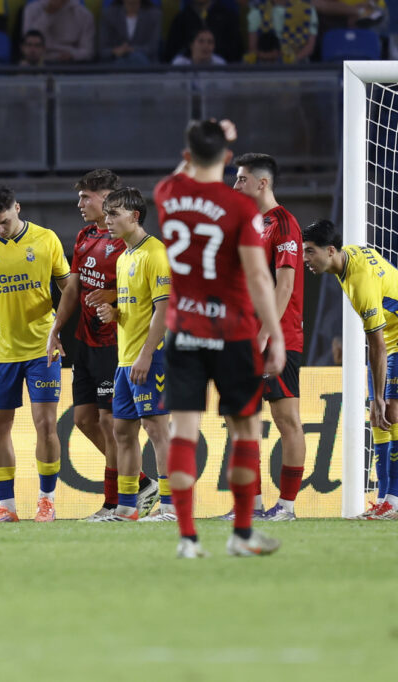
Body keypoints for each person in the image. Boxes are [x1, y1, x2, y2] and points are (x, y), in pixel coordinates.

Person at [153, 119, 285, 558]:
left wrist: (205, 140)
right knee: (245, 430)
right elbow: (259, 277)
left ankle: (188, 539)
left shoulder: (167, 194)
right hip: (233, 333)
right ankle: (242, 533)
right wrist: (276, 335)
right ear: (228, 159)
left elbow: (179, 174)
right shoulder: (240, 206)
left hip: (184, 332)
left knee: (183, 431)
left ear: (187, 156)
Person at [48, 169, 158, 521]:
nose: (80, 203)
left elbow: (143, 294)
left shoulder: (130, 242)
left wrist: (113, 297)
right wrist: (56, 328)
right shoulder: (84, 237)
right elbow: (73, 288)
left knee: (113, 424)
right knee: (84, 420)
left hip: (116, 343)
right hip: (85, 341)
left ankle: (114, 503)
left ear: (109, 198)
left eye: (87, 197)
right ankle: (141, 483)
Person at [0, 186, 71, 523]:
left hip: (42, 347)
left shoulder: (46, 239)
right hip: (1, 349)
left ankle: (46, 501)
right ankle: (6, 506)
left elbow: (68, 288)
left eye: (4, 221)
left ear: (17, 209)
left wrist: (59, 329)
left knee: (46, 424)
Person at [302, 219, 398, 520]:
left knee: (390, 411)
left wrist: (379, 396)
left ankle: (394, 500)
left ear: (330, 250)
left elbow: (376, 345)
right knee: (378, 418)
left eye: (310, 251)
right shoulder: (348, 257)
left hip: (393, 341)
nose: (305, 259)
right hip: (389, 337)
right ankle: (384, 499)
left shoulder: (360, 281)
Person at [232, 153, 305, 521]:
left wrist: (265, 335)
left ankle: (286, 507)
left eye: (241, 179)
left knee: (286, 419)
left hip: (278, 338)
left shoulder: (284, 223)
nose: (235, 186)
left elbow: (285, 286)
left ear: (262, 183)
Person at [93, 188, 172, 522]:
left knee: (157, 430)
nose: (107, 220)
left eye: (114, 214)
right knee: (122, 432)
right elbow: (137, 308)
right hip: (125, 361)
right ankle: (127, 507)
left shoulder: (155, 253)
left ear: (135, 216)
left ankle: (171, 506)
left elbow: (164, 309)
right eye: (107, 214)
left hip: (150, 358)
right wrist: (115, 313)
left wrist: (146, 355)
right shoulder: (124, 257)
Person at [163, 0, 242, 62]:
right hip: (187, 72)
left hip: (223, 72)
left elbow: (236, 53)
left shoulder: (228, 17)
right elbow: (170, 54)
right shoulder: (181, 19)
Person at [21, 0, 94, 63]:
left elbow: (88, 52)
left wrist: (73, 55)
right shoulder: (32, 10)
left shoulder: (84, 15)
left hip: (72, 64)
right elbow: (28, 43)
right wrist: (48, 14)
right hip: (39, 62)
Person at [246, 0, 317, 63]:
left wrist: (291, 60)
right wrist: (270, 56)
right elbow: (252, 48)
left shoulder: (308, 8)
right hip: (265, 65)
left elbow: (310, 47)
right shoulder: (258, 9)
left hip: (298, 66)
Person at [97, 0, 161, 64]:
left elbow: (153, 48)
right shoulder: (108, 14)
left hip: (146, 63)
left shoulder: (154, 15)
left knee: (137, 58)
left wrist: (131, 50)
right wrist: (115, 51)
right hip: (114, 62)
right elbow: (103, 50)